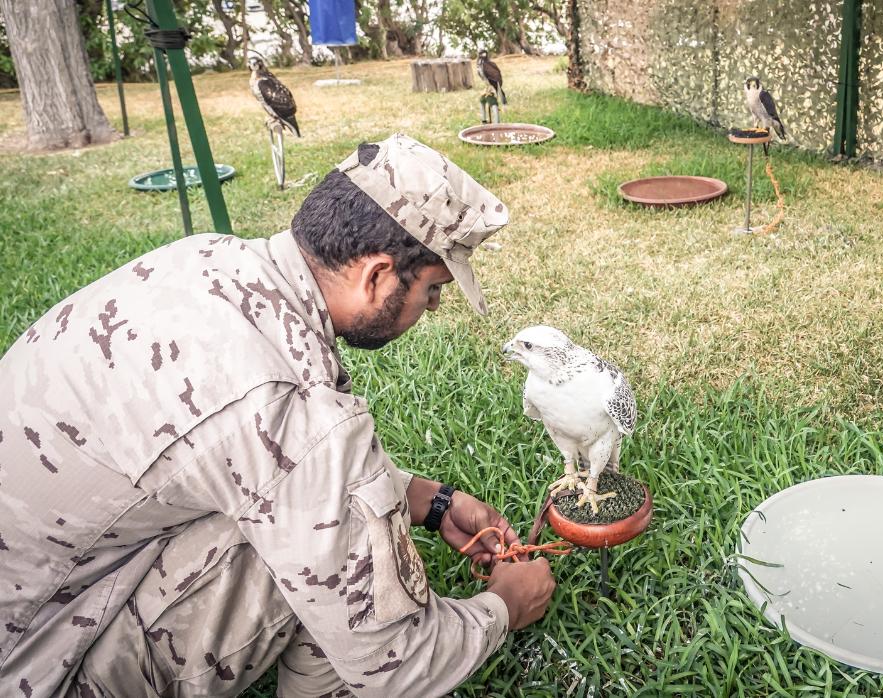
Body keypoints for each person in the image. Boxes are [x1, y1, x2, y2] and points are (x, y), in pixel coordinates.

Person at [0, 134, 556, 697]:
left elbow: (243, 452)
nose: (432, 310)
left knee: (317, 510)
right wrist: (504, 606)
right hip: (36, 671)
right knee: (319, 545)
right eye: (433, 290)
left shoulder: (211, 258)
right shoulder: (286, 402)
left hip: (43, 599)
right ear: (377, 276)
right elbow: (396, 668)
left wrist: (427, 500)